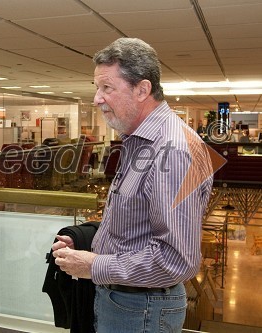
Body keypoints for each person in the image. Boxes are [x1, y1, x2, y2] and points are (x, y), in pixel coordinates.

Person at [52, 38, 213, 333]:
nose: (96, 98)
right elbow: (138, 223)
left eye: (107, 88)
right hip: (127, 302)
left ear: (142, 90)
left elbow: (176, 259)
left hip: (142, 309)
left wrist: (93, 266)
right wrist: (91, 245)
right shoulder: (140, 140)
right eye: (97, 87)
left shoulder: (174, 150)